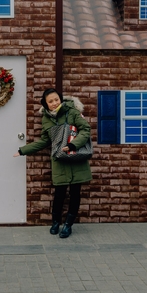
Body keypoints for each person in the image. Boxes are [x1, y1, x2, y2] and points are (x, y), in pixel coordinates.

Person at [14, 88, 91, 238]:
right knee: (59, 193)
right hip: (59, 160)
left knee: (75, 193)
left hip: (76, 158)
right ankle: (55, 222)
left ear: (60, 99)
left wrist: (74, 144)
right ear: (45, 103)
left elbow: (86, 130)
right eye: (51, 101)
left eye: (56, 99)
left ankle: (68, 225)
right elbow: (45, 141)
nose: (54, 103)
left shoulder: (72, 112)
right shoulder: (46, 118)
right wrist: (23, 150)